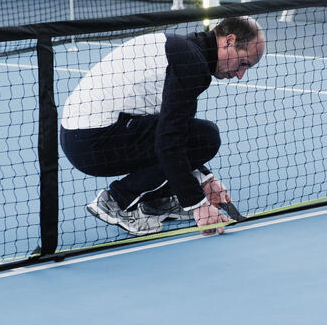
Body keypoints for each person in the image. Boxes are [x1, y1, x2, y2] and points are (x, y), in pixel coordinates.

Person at [60, 17, 266, 237]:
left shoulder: (187, 51)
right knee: (206, 137)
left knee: (197, 136)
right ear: (229, 41)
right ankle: (116, 201)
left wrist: (206, 179)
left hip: (85, 137)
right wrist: (197, 204)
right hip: (93, 143)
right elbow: (169, 142)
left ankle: (156, 202)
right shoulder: (190, 63)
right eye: (243, 63)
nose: (240, 75)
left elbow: (174, 129)